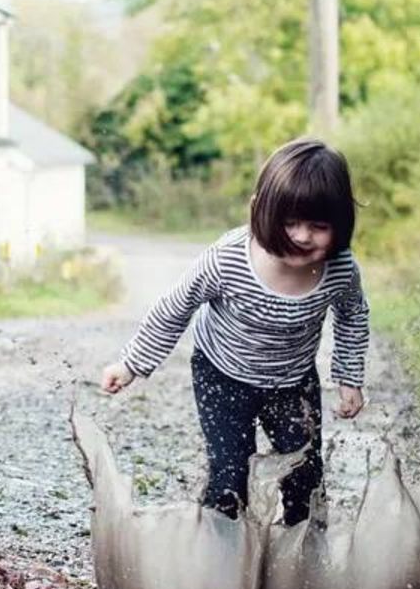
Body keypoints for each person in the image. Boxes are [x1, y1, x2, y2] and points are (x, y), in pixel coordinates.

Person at [100, 138, 370, 525]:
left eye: (319, 225)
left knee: (305, 477)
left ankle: (305, 558)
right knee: (230, 476)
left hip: (293, 383)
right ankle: (219, 555)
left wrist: (348, 377)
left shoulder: (340, 270)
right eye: (290, 222)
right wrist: (132, 364)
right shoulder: (228, 260)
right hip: (222, 376)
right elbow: (176, 307)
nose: (302, 236)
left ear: (341, 224)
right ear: (262, 210)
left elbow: (353, 314)